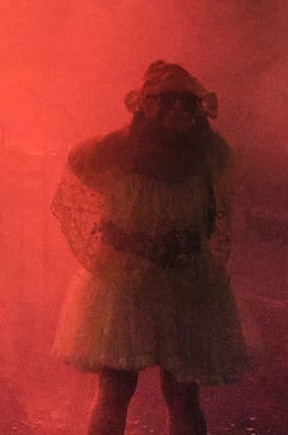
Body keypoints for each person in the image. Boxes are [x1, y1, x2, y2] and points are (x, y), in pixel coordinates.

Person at [50, 61, 250, 435]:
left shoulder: (208, 154)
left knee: (182, 393)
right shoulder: (113, 151)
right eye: (168, 100)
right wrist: (128, 240)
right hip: (128, 281)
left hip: (185, 280)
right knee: (116, 388)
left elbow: (214, 215)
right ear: (147, 104)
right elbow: (77, 176)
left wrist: (184, 245)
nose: (179, 109)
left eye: (187, 102)